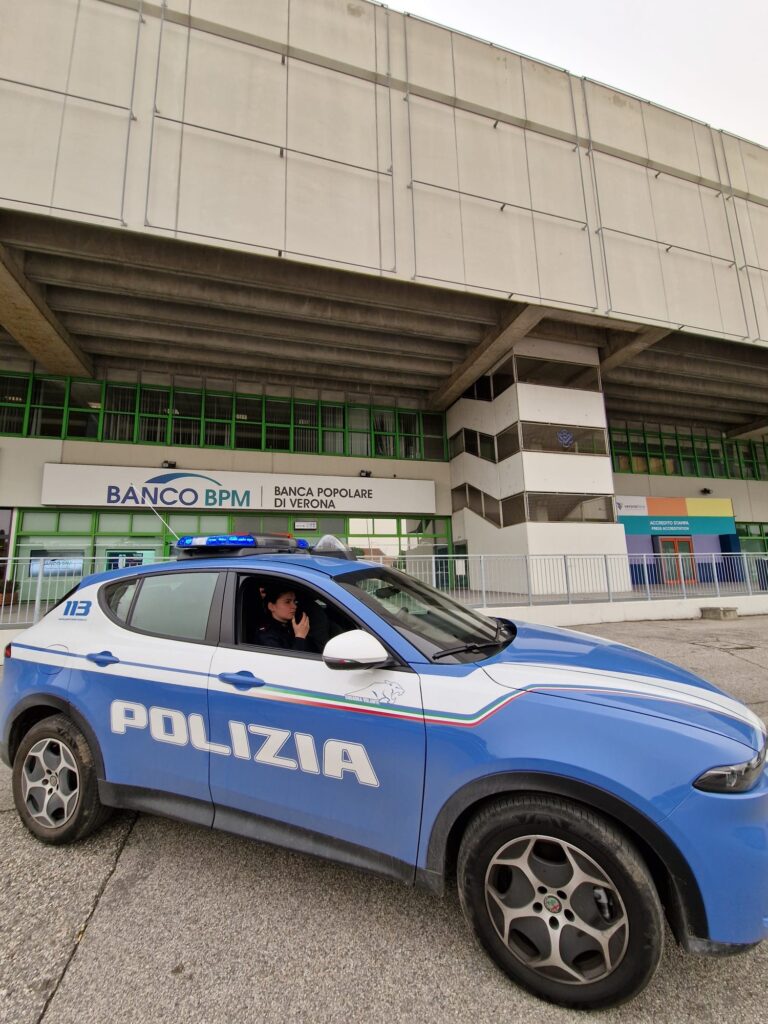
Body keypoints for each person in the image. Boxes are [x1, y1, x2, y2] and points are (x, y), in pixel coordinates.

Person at [258, 585, 313, 651]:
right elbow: (287, 661)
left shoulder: (293, 626)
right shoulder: (266, 635)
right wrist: (300, 637)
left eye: (294, 601)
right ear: (271, 606)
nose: (294, 606)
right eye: (287, 602)